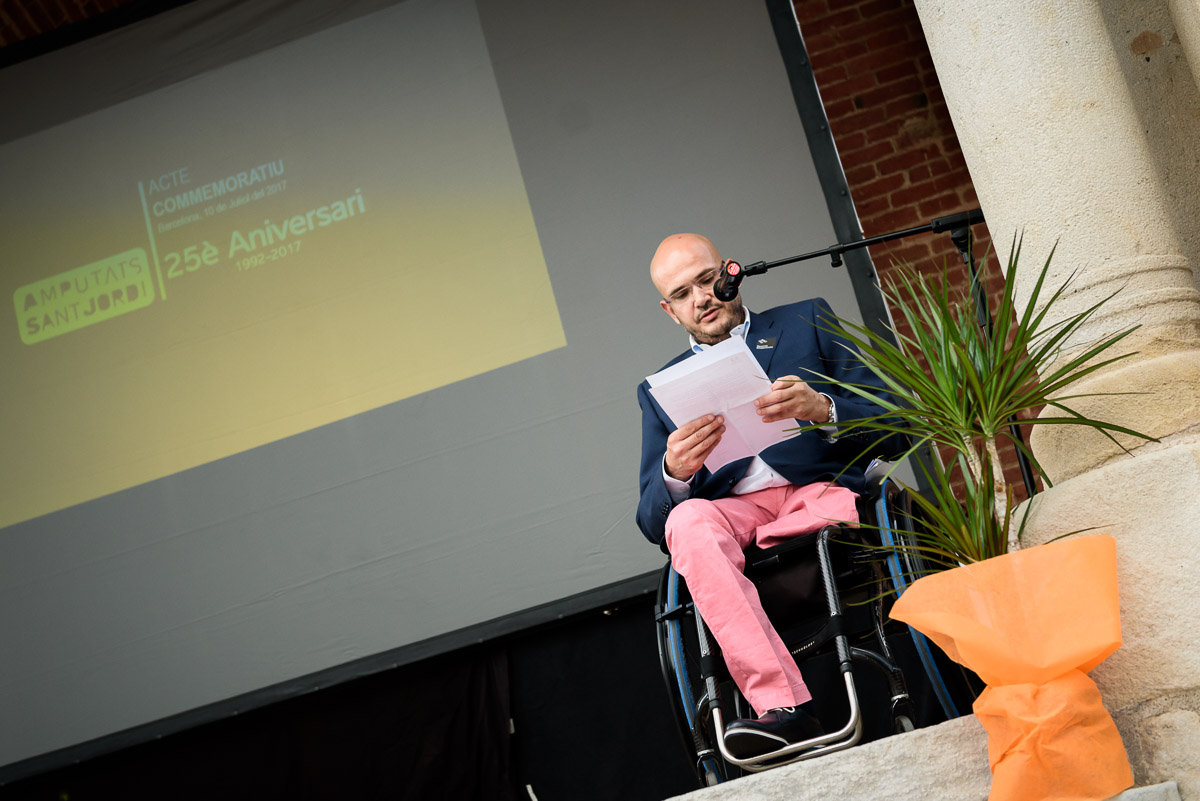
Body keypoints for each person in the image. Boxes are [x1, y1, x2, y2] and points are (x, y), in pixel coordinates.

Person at [636, 233, 899, 759]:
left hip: (817, 492)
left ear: (729, 273)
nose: (701, 299)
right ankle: (783, 707)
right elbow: (650, 519)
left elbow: (897, 425)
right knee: (685, 523)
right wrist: (674, 472)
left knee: (813, 503)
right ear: (670, 310)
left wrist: (825, 408)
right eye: (682, 294)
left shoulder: (806, 320)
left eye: (707, 280)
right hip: (740, 512)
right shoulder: (660, 388)